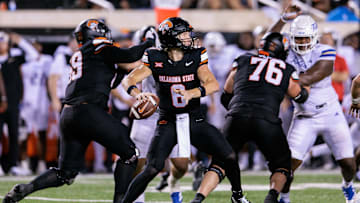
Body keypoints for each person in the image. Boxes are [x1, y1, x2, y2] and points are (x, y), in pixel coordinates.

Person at [2, 18, 156, 203]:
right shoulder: (99, 45)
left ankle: (26, 188)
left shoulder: (85, 54)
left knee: (64, 174)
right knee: (130, 154)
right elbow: (129, 55)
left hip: (69, 114)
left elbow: (113, 77)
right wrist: (148, 43)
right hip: (89, 111)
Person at [121, 17, 249, 203]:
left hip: (193, 119)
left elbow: (212, 84)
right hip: (168, 121)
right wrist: (136, 93)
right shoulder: (155, 57)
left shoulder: (196, 55)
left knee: (228, 155)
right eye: (183, 34)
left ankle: (237, 195)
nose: (189, 38)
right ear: (171, 38)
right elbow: (129, 79)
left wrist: (192, 93)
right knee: (152, 168)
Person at [192, 32, 309, 203]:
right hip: (266, 119)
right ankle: (271, 197)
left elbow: (226, 93)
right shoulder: (286, 69)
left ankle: (198, 198)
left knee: (219, 163)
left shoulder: (243, 60)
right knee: (282, 165)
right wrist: (307, 86)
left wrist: (237, 111)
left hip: (237, 115)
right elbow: (299, 96)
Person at [269, 6, 356, 203]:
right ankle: (285, 197)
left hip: (331, 113)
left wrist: (284, 78)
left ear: (314, 37)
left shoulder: (325, 51)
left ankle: (348, 186)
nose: (301, 42)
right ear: (291, 37)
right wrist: (282, 19)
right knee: (288, 164)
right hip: (304, 116)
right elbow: (268, 42)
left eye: (305, 38)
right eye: (298, 38)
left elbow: (316, 74)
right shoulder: (286, 52)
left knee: (348, 163)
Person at [0, 31, 39, 175]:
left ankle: (13, 165)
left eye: (3, 41)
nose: (1, 45)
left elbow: (34, 56)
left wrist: (21, 42)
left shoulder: (14, 58)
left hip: (14, 103)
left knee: (14, 135)